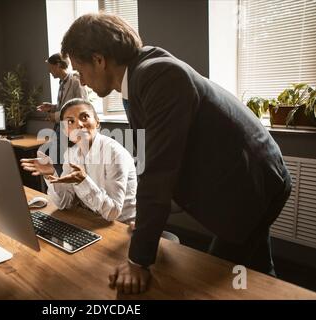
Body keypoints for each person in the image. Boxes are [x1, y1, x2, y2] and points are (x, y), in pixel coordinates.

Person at [61, 13, 292, 294]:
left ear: (99, 59)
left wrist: (137, 260)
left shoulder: (159, 75)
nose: (81, 82)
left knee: (224, 276)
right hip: (245, 181)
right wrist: (147, 219)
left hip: (254, 184)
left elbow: (157, 173)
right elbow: (160, 157)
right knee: (254, 269)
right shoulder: (136, 80)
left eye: (80, 70)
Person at [21, 98, 137, 223]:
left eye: (85, 117)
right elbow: (65, 203)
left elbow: (113, 213)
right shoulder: (71, 154)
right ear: (65, 130)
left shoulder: (114, 153)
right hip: (90, 220)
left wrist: (84, 181)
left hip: (120, 226)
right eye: (70, 121)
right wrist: (51, 174)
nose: (79, 125)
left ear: (97, 122)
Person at [36, 53, 88, 174]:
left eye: (50, 67)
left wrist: (55, 116)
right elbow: (67, 105)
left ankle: (66, 188)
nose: (49, 71)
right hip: (61, 129)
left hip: (72, 130)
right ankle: (59, 188)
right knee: (56, 160)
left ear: (58, 65)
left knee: (65, 162)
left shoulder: (75, 81)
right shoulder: (62, 83)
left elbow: (80, 107)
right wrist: (52, 107)